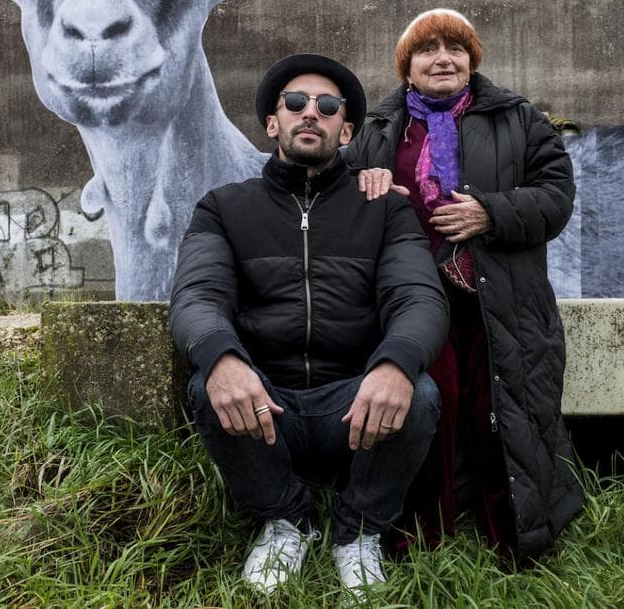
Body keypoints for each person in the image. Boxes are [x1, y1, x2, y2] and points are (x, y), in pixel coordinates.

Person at [170, 53, 449, 597]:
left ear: (346, 130)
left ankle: (358, 530)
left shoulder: (386, 210)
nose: (309, 113)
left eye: (327, 106)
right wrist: (222, 357)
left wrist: (395, 364)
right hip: (265, 402)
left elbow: (418, 295)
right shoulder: (224, 208)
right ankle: (287, 520)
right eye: (295, 103)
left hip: (354, 403)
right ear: (274, 124)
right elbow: (197, 294)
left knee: (419, 393)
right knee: (207, 385)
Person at [347, 8, 584, 562]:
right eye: (427, 49)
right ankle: (424, 537)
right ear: (407, 67)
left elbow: (557, 196)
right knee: (430, 406)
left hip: (500, 297)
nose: (443, 58)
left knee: (502, 409)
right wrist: (366, 186)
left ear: (472, 60)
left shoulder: (517, 117)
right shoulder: (379, 129)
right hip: (409, 303)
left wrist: (491, 212)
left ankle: (518, 536)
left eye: (456, 47)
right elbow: (338, 202)